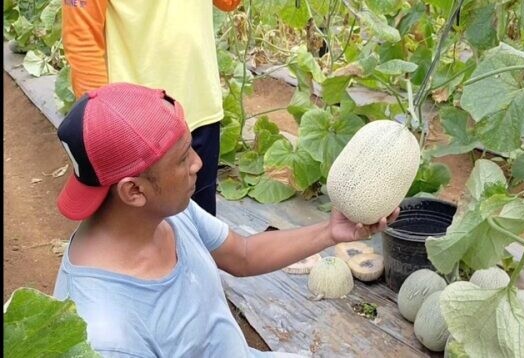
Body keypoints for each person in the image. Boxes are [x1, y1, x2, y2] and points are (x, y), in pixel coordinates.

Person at [52, 83, 399, 357]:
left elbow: (243, 254)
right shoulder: (106, 336)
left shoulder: (165, 213)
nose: (198, 165)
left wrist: (331, 231)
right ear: (133, 191)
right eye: (182, 158)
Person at [61, 0, 241, 216]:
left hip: (201, 109)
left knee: (201, 223)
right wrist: (104, 127)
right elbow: (83, 41)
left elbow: (228, 4)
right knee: (141, 233)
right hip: (137, 126)